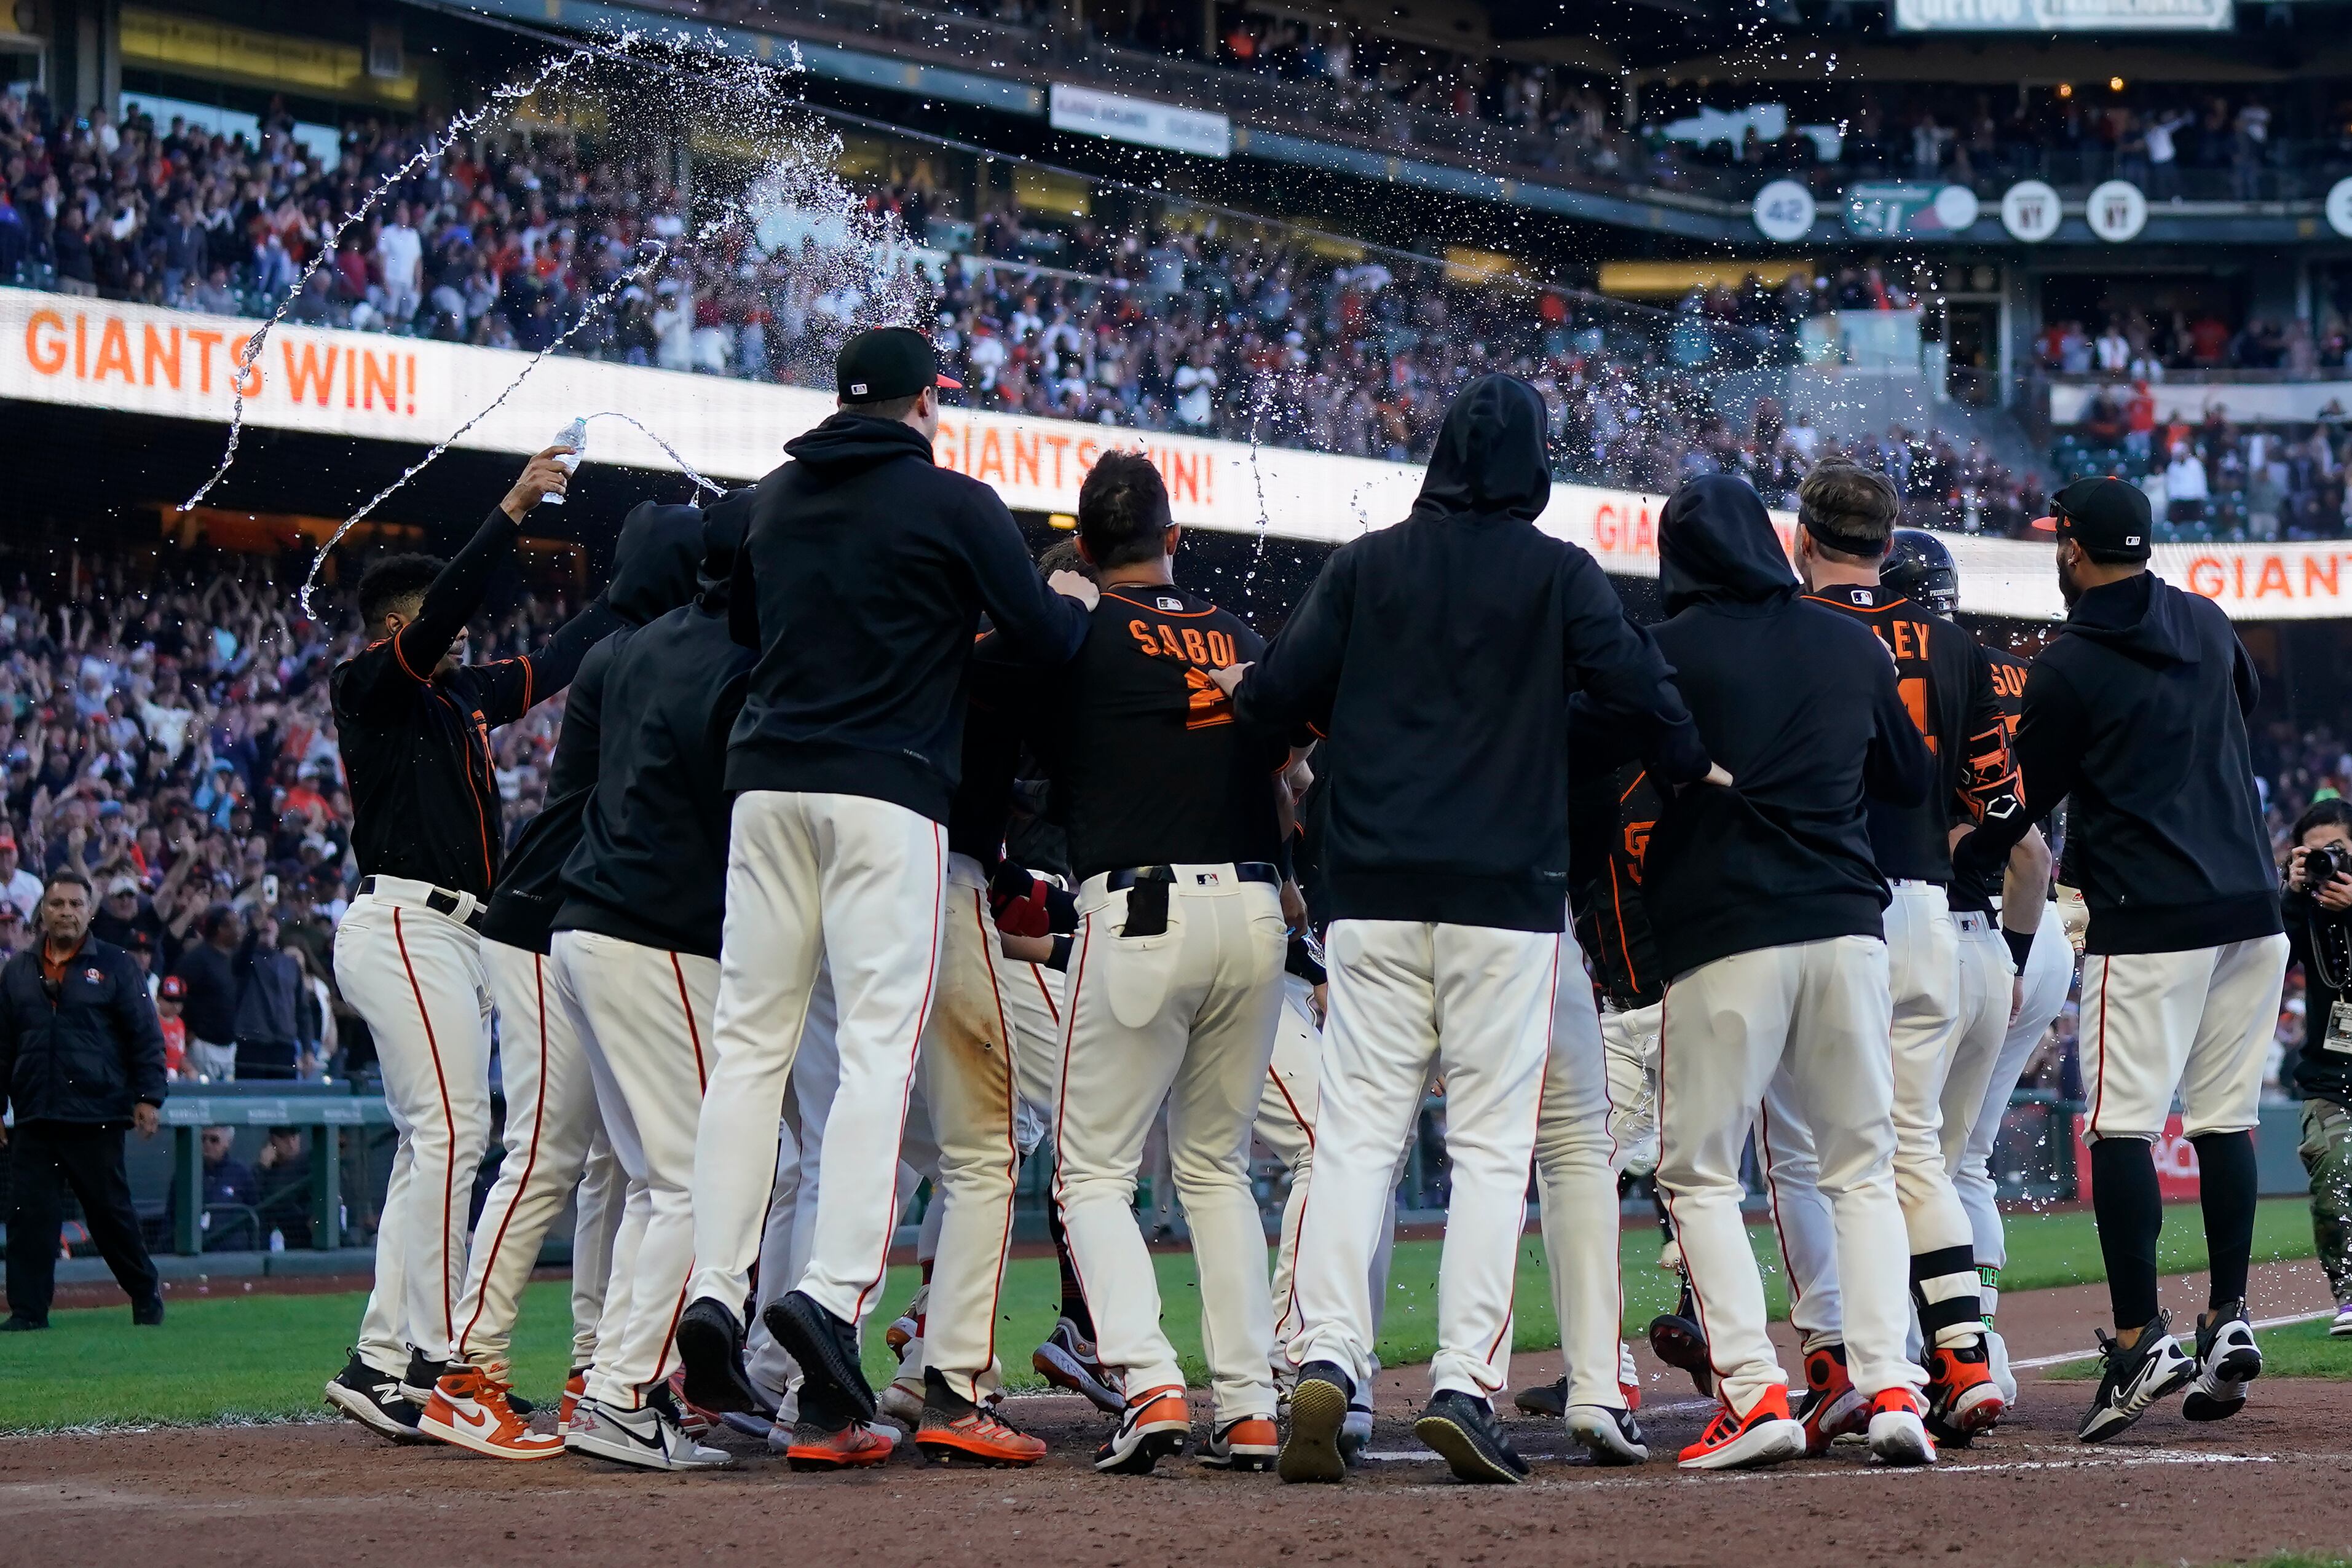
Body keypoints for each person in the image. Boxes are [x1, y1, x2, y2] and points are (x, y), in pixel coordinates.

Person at [1216, 374, 1713, 1486]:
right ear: (1532, 463)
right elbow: (1647, 697)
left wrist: (1327, 709)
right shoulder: (1558, 573)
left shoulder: (1366, 564)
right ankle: (1460, 1385)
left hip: (1372, 893)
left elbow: (1272, 697)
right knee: (1491, 1148)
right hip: (1506, 896)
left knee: (1357, 1138)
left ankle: (1327, 1357)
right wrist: (1589, 727)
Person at [675, 328, 1095, 1462]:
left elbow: (748, 629)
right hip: (885, 797)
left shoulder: (769, 501)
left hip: (766, 790)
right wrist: (1056, 599)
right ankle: (829, 1291)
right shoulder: (955, 502)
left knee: (748, 1050)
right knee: (875, 1055)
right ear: (921, 406)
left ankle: (713, 1288)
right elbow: (1043, 636)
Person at [1954, 475, 2289, 1442]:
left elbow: (2026, 794)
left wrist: (1966, 845)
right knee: (2223, 1118)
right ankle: (2227, 1315)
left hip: (2150, 914)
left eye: (2055, 539)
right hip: (2250, 905)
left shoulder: (2068, 662)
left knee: (2118, 1127)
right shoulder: (2206, 619)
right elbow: (2243, 703)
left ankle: (2141, 1336)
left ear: (2071, 548)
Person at [1628, 473, 1935, 1471]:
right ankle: (1892, 1389)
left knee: (1699, 1174)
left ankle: (1755, 1390)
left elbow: (1600, 751)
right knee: (1863, 1170)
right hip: (1847, 926)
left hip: (1726, 931)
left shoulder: (1666, 650)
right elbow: (1908, 779)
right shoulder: (1849, 643)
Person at [323, 446, 620, 1444]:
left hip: (451, 932)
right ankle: (429, 1360)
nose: (460, 635)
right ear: (395, 630)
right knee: (453, 1131)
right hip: (405, 920)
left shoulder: (457, 697)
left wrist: (640, 591)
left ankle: (385, 1358)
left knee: (435, 1143)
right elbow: (446, 612)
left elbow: (554, 663)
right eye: (436, 623)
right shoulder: (369, 684)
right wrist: (512, 507)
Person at [1012, 452, 1299, 1475]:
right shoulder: (1239, 635)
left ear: (1084, 549)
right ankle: (1251, 1403)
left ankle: (1148, 1379)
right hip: (1256, 910)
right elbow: (1293, 764)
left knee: (1092, 1171)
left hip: (1137, 909)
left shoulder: (1078, 632)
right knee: (1216, 1168)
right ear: (1174, 539)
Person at [416, 500, 706, 1463]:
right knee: (547, 1150)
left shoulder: (629, 646)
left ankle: (596, 1365)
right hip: (543, 917)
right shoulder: (645, 653)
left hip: (569, 917)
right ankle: (464, 1374)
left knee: (617, 1161)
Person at [1771, 475, 2026, 1450]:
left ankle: (1844, 1361)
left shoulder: (1797, 628)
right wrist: (1952, 836)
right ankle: (1962, 1357)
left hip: (1830, 901)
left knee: (1816, 1154)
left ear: (1803, 538)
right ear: (1889, 543)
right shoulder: (1958, 646)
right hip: (1931, 908)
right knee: (1913, 1147)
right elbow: (2002, 800)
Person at [534, 502, 749, 1473]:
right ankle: (623, 1393)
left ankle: (612, 1385)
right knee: (699, 1180)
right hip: (653, 931)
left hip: (588, 926)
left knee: (658, 1184)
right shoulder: (734, 654)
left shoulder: (634, 646)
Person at [0, 870, 168, 1331]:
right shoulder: (17, 970)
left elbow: (145, 1036)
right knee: (29, 1218)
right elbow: (3, 1044)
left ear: (90, 911)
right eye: (57, 904)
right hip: (35, 1113)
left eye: (76, 904)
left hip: (96, 1114)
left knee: (110, 1216)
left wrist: (148, 1098)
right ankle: (28, 1312)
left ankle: (144, 1292)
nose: (66, 912)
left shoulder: (117, 965)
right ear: (42, 911)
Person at [2282, 798, 2352, 1336]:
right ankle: (2349, 1291)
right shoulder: (2300, 908)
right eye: (2314, 854)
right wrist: (2289, 894)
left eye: (2338, 850)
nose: (2327, 862)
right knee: (2334, 1173)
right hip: (2331, 1078)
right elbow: (2268, 961)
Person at [173, 906, 242, 1079]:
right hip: (203, 1045)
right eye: (235, 925)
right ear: (220, 929)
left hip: (228, 1047)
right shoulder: (197, 959)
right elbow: (176, 992)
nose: (240, 930)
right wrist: (188, 1033)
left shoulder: (229, 958)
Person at [0, 826, 41, 923]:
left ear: (16, 855)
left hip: (28, 930)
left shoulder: (32, 883)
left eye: (8, 853)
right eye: (0, 854)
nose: (5, 858)